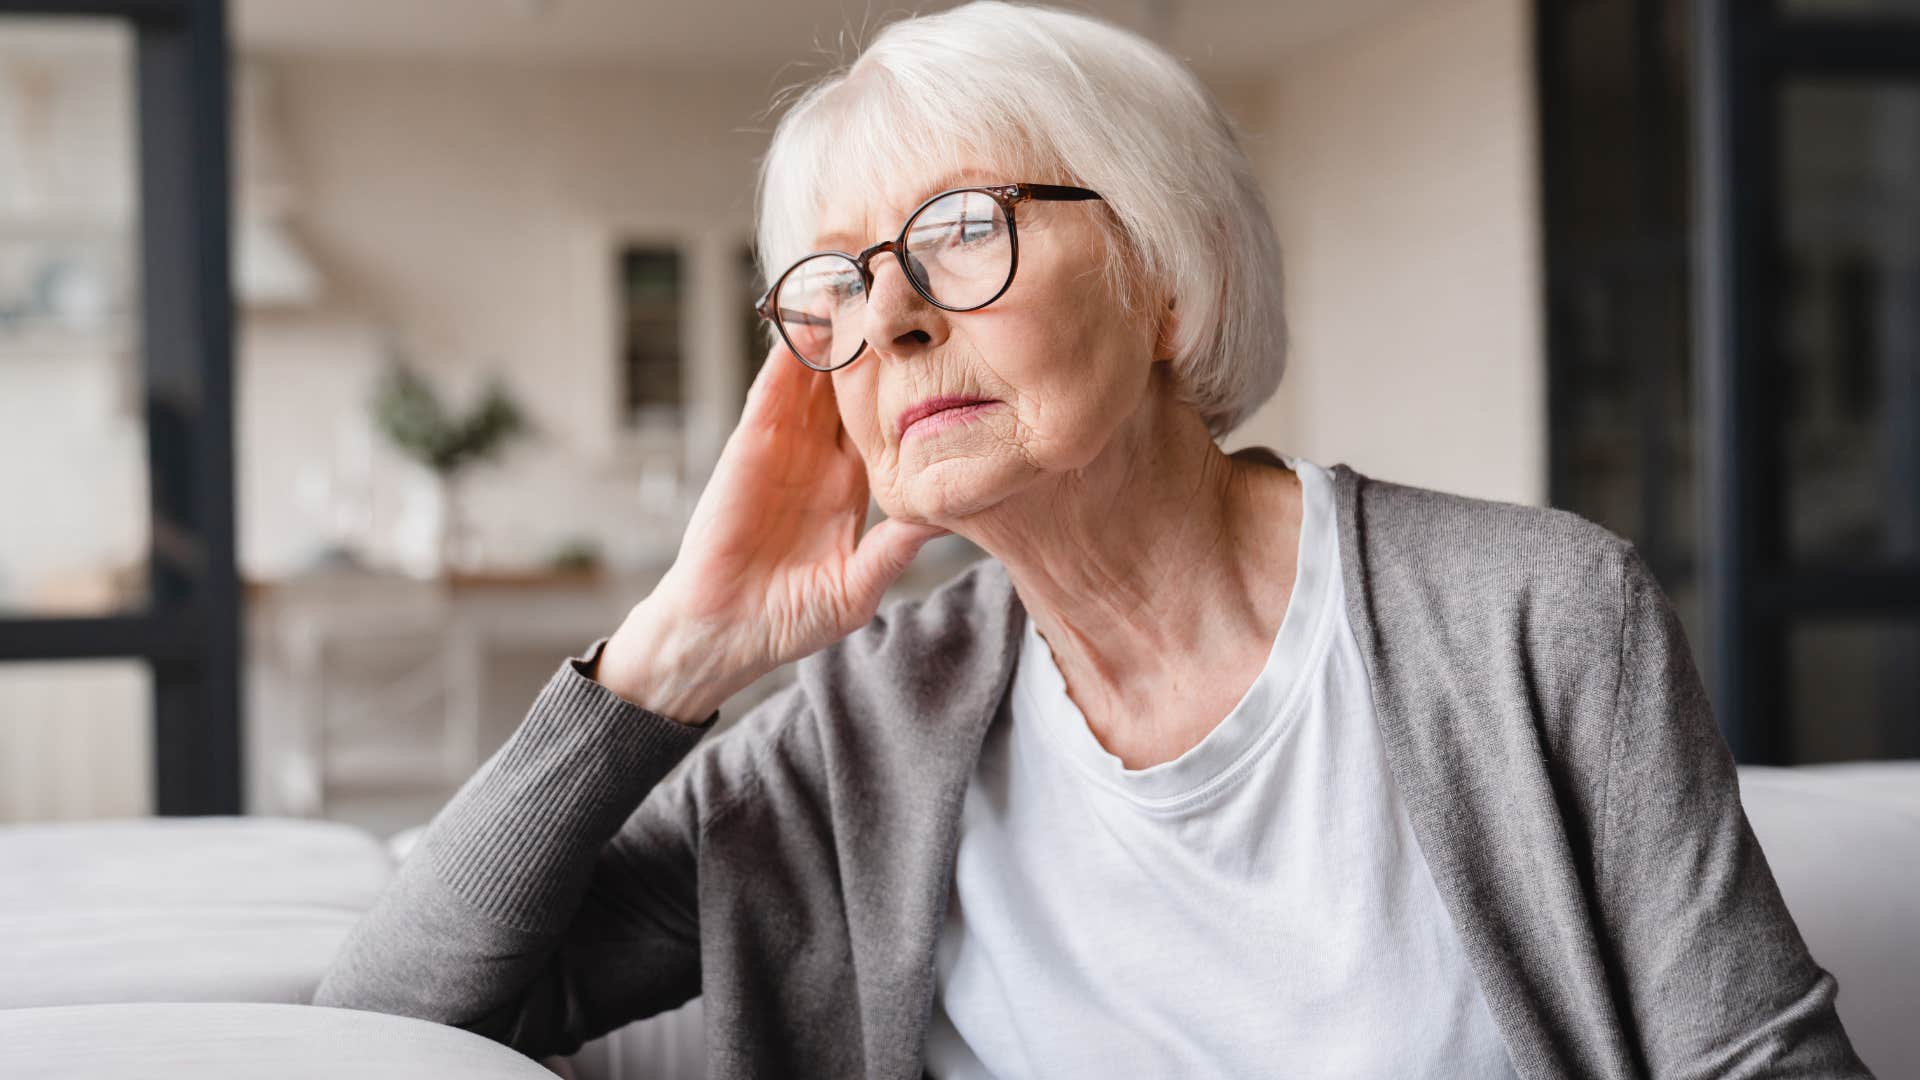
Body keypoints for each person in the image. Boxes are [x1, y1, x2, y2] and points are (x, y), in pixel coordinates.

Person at [314, 3, 1869, 1076]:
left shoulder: (1537, 617)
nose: (897, 315)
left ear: (1166, 283)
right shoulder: (861, 729)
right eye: (838, 288)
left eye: (965, 229)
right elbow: (392, 1013)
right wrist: (670, 656)